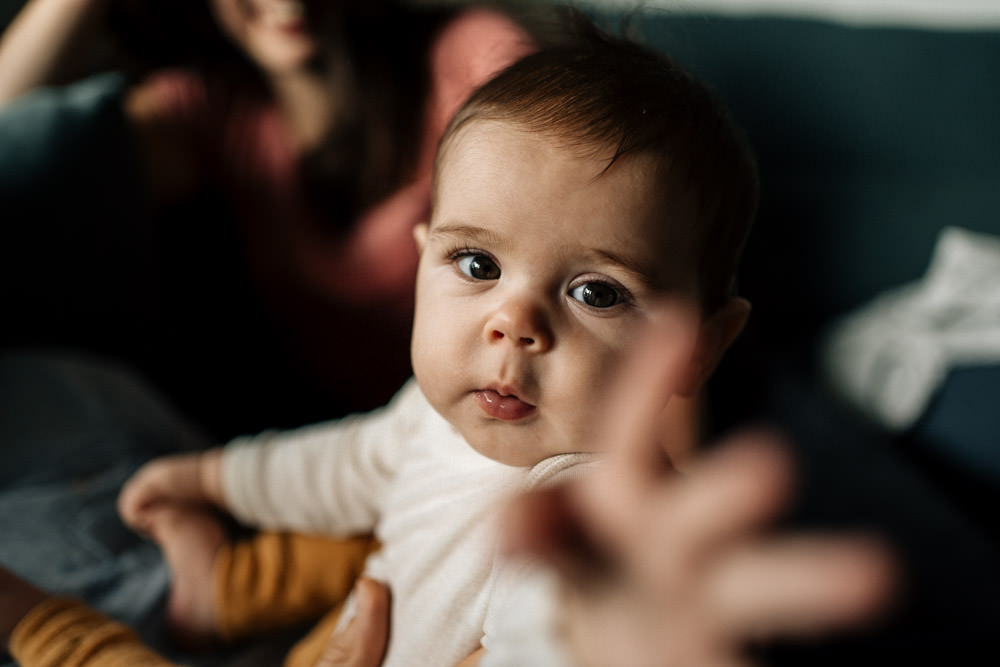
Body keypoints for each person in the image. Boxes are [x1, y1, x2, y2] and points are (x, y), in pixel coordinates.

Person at [107, 19, 893, 667]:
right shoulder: (435, 411)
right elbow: (348, 464)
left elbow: (561, 620)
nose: (514, 323)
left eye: (596, 292)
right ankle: (217, 587)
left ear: (699, 347)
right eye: (477, 263)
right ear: (421, 260)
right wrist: (218, 477)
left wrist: (603, 635)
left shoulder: (589, 506)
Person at [0, 0, 537, 439]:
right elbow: (19, 156)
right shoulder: (214, 111)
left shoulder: (471, 54)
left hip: (493, 420)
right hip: (328, 445)